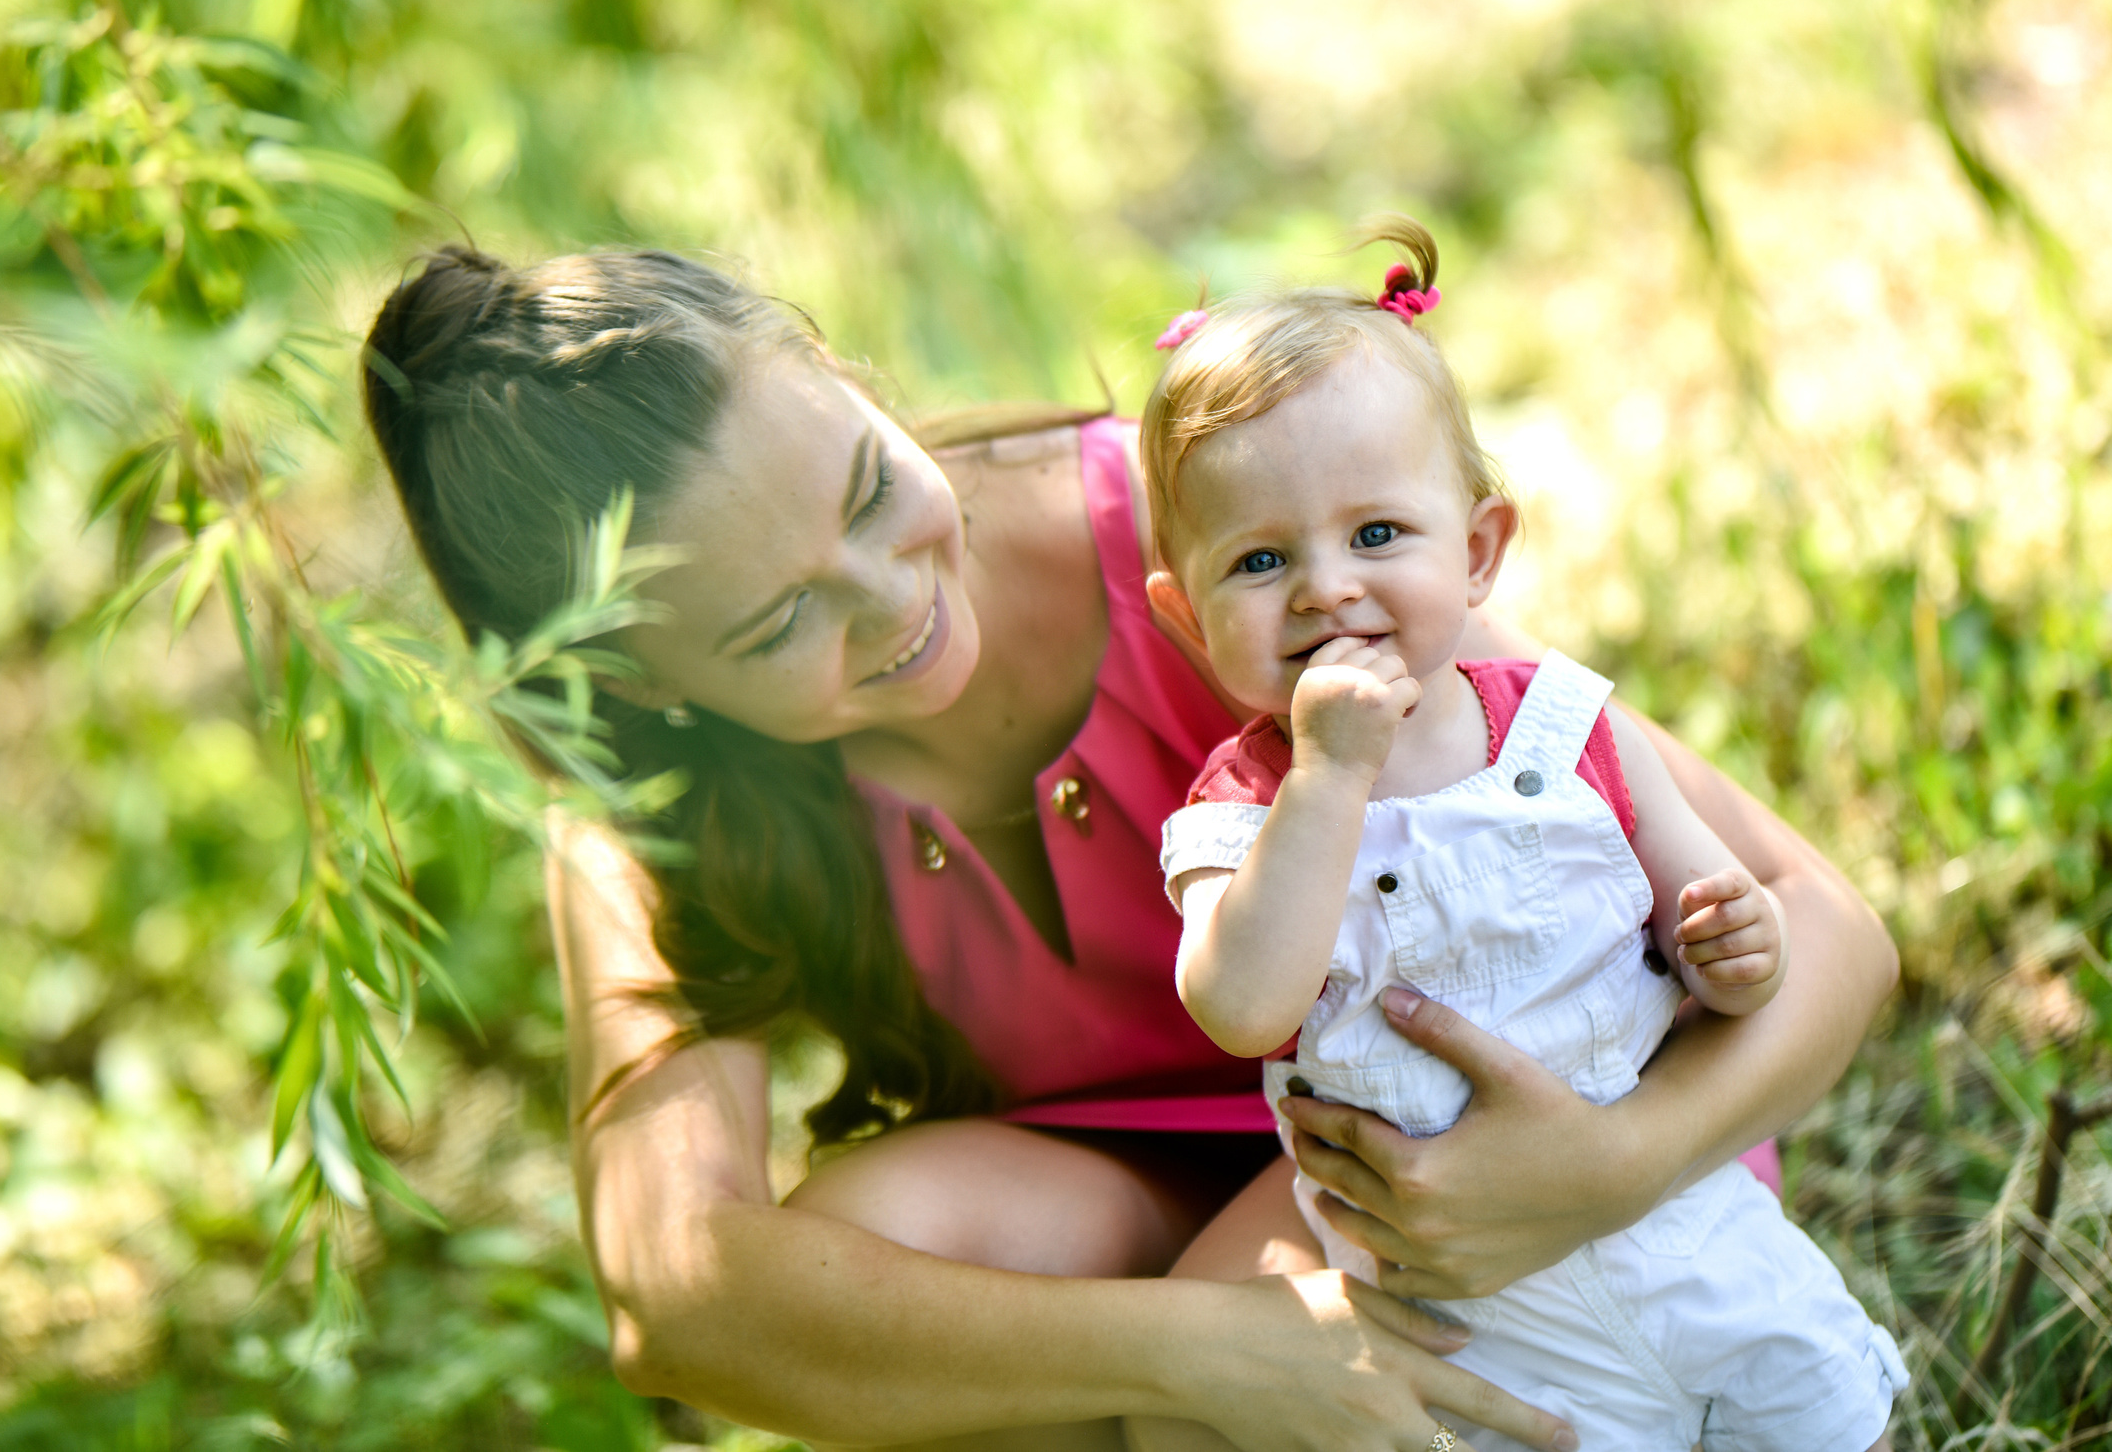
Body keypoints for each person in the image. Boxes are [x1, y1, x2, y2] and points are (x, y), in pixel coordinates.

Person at [358, 242, 1901, 1452]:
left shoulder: (1239, 548)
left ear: (838, 372)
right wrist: (1202, 1351)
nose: (891, 605)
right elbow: (679, 1289)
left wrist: (1609, 1167)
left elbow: (1823, 921)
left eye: (869, 489)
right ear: (637, 676)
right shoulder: (651, 804)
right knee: (872, 1254)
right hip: (1164, 1229)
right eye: (777, 625)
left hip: (1485, 1142)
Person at [1140, 220, 1906, 1452]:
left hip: (1679, 1229)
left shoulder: (1568, 725)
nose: (1327, 587)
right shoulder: (1239, 811)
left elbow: (1706, 913)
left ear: (1478, 551)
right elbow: (1241, 1003)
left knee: (1813, 1414)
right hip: (1466, 1301)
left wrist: (1732, 941)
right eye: (1262, 559)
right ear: (1188, 619)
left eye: (1375, 535)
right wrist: (1328, 777)